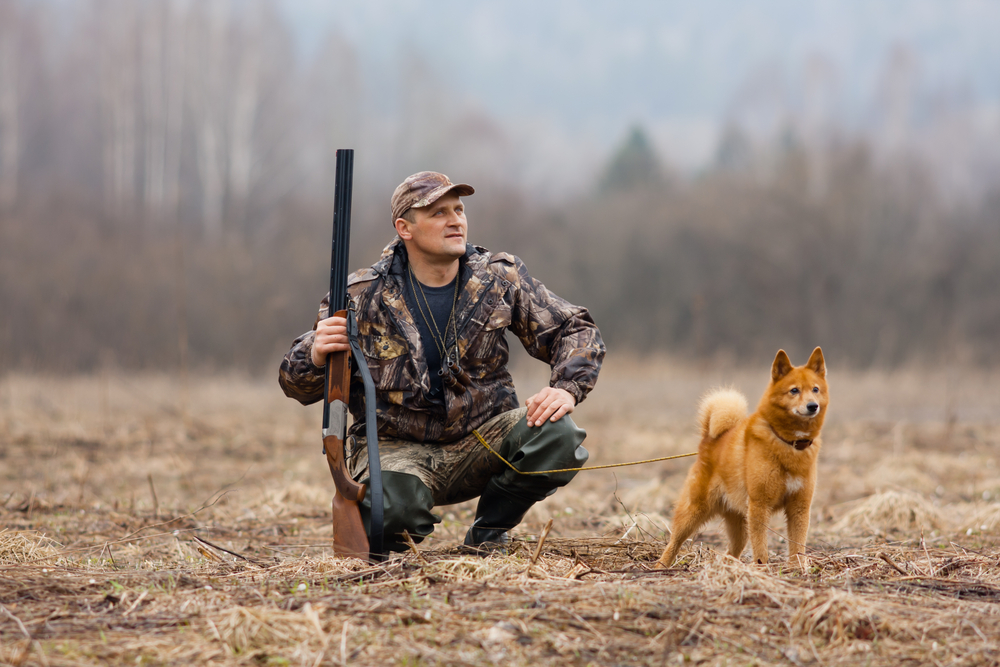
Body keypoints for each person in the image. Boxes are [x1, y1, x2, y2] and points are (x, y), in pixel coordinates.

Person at [279, 171, 605, 552]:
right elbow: (293, 382)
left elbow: (575, 328)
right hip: (396, 448)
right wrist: (315, 355)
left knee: (558, 435)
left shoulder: (498, 277)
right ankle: (397, 542)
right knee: (392, 514)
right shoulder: (361, 295)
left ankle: (489, 535)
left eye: (459, 209)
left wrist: (565, 388)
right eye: (438, 213)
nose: (455, 220)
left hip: (483, 439)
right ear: (405, 228)